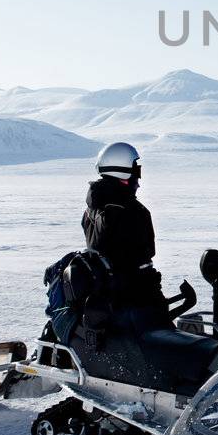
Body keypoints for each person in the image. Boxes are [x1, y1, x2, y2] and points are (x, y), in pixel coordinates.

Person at [81, 141, 168, 331]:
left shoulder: (92, 209)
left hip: (105, 298)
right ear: (123, 172)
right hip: (133, 303)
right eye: (135, 171)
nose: (138, 180)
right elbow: (143, 256)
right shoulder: (132, 212)